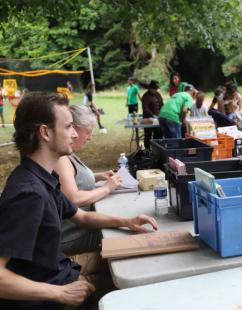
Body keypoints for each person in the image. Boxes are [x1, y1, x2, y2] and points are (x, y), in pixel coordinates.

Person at [0, 93, 158, 309]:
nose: (74, 133)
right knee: (138, 285)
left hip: (61, 270)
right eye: (67, 127)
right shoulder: (27, 194)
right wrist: (59, 293)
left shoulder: (44, 177)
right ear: (45, 132)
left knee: (135, 262)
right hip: (51, 295)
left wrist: (126, 222)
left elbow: (81, 216)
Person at [55, 105, 123, 255]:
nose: (90, 137)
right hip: (70, 234)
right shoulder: (61, 158)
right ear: (74, 128)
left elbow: (73, 179)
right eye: (88, 131)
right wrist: (106, 188)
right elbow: (73, 198)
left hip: (80, 225)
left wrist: (98, 176)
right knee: (119, 236)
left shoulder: (67, 153)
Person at [141, 80, 163, 148]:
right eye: (154, 88)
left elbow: (162, 104)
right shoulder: (145, 96)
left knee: (159, 134)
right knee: (148, 136)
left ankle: (156, 149)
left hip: (158, 119)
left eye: (156, 88)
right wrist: (153, 115)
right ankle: (147, 150)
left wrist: (162, 112)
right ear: (150, 88)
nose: (155, 90)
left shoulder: (158, 94)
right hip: (148, 119)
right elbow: (145, 108)